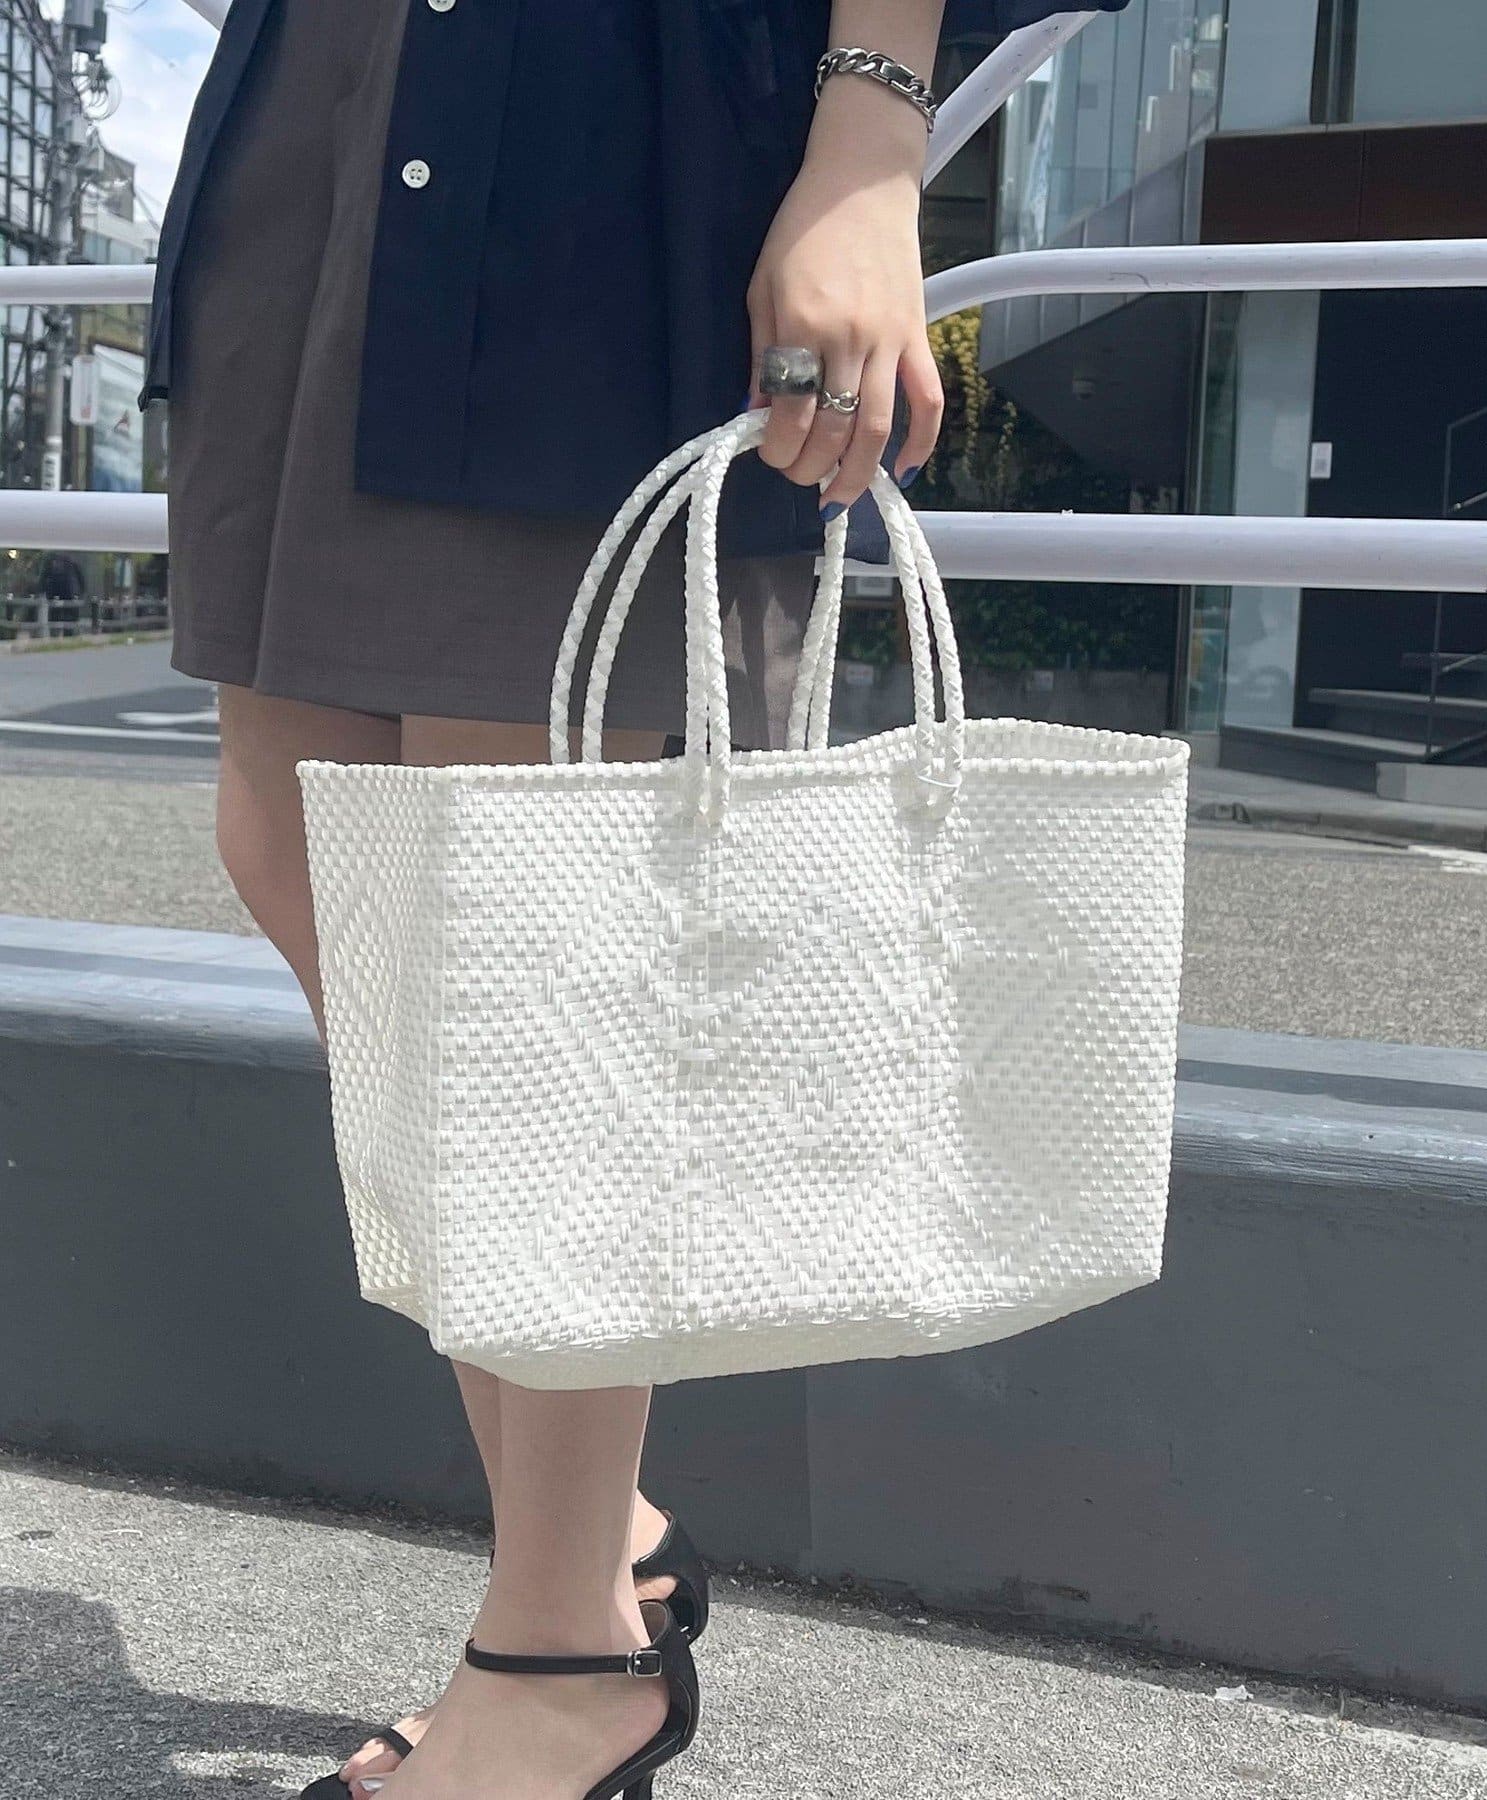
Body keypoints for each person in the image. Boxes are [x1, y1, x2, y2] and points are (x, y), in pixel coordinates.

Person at [141, 3, 1126, 1796]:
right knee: (295, 840)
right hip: (321, 104)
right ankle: (601, 1538)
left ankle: (562, 1653)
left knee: (531, 931)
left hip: (590, 107)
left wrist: (871, 140)